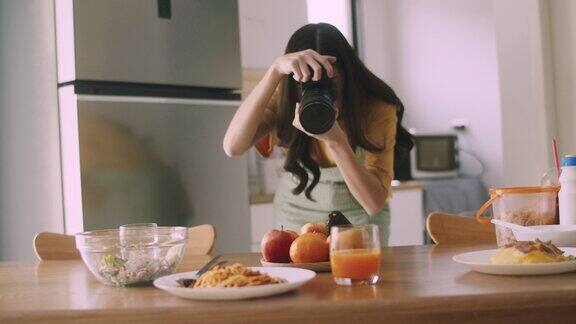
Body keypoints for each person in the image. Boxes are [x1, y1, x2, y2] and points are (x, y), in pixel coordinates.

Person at [223, 23, 412, 246]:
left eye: (327, 83)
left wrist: (336, 141)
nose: (317, 91)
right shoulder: (286, 98)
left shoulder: (375, 108)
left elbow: (373, 203)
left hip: (358, 223)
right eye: (306, 83)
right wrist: (275, 71)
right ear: (293, 80)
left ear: (348, 76)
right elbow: (232, 147)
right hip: (293, 220)